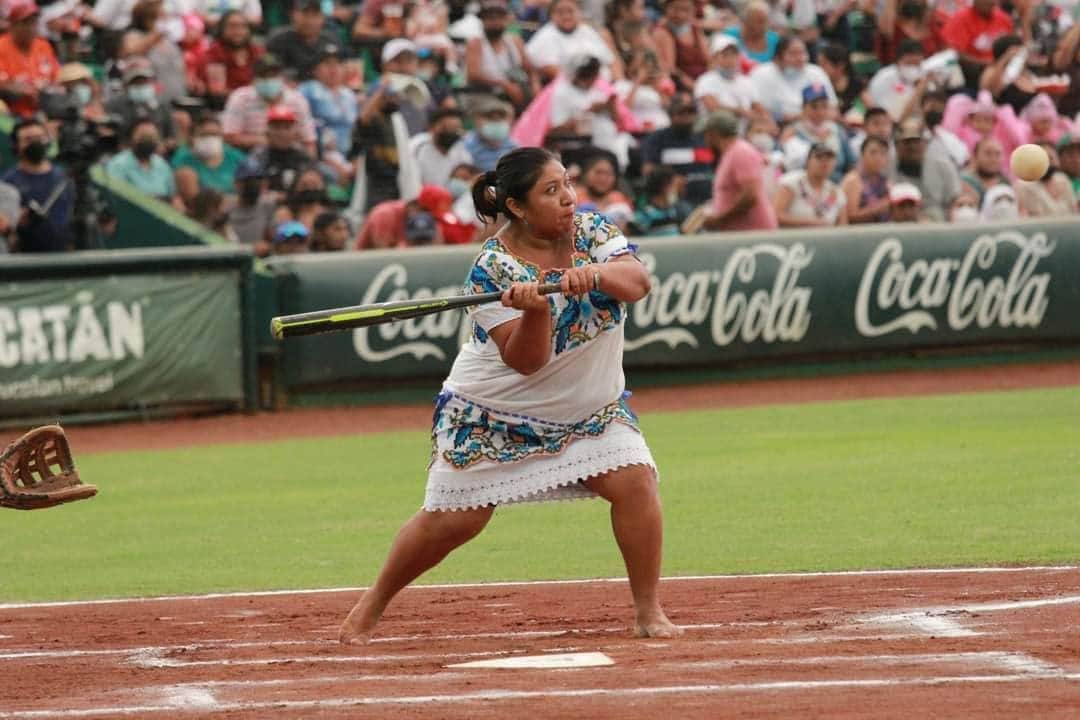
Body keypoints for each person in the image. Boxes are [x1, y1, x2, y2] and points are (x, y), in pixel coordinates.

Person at [338, 146, 678, 645]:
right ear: (517, 206)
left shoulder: (592, 230)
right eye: (551, 190)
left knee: (634, 480)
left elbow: (638, 282)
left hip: (589, 408)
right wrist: (538, 307)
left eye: (567, 184)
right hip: (496, 410)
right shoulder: (491, 267)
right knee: (455, 522)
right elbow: (526, 362)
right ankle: (369, 608)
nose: (567, 198)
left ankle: (649, 611)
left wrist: (595, 275)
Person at [2, 118, 74, 253]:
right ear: (16, 146)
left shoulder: (64, 177)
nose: (35, 143)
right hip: (25, 260)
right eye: (28, 139)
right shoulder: (7, 183)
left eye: (39, 137)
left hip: (63, 257)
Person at [698, 110, 777, 232]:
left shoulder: (741, 152)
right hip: (740, 233)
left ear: (713, 133)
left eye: (705, 134)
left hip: (752, 234)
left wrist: (720, 219)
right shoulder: (730, 152)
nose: (704, 138)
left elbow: (750, 195)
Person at [222, 54, 318, 155]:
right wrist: (269, 141)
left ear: (282, 77)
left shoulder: (297, 100)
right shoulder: (240, 98)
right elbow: (229, 136)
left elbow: (309, 141)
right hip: (249, 153)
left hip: (290, 153)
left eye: (273, 75)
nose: (268, 80)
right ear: (254, 79)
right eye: (263, 76)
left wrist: (309, 166)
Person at [639, 92, 715, 206]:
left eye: (691, 112)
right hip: (675, 203)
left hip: (707, 200)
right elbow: (648, 170)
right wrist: (671, 178)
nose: (687, 116)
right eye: (681, 112)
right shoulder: (657, 138)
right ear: (671, 114)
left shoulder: (704, 139)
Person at [464, 0, 538, 110]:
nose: (495, 22)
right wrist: (504, 84)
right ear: (483, 21)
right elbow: (473, 74)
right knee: (503, 110)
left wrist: (536, 87)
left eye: (499, 18)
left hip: (515, 92)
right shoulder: (476, 43)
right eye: (490, 18)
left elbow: (530, 69)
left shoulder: (515, 41)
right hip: (484, 94)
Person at [525, 0, 619, 84]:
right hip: (572, 87)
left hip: (604, 84)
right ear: (552, 15)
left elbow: (611, 61)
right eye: (560, 12)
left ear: (579, 13)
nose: (566, 16)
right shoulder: (546, 36)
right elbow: (551, 70)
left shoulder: (587, 30)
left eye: (570, 11)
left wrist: (617, 82)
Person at [749, 36, 836, 123]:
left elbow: (833, 108)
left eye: (803, 53)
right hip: (773, 126)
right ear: (778, 57)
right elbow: (754, 109)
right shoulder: (761, 74)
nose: (800, 59)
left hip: (815, 126)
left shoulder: (816, 72)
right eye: (793, 54)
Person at [780, 83, 855, 183]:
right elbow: (784, 164)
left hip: (838, 185)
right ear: (804, 107)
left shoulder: (837, 130)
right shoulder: (793, 132)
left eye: (824, 106)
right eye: (814, 107)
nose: (819, 112)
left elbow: (851, 162)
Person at [119, 0, 187, 108]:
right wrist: (156, 35)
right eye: (161, 15)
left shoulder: (169, 40)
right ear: (149, 18)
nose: (166, 18)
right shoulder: (135, 35)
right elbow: (129, 50)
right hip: (152, 102)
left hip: (177, 98)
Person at [892, 115, 959, 221]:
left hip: (937, 220)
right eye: (907, 142)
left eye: (916, 141)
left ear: (925, 143)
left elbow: (954, 201)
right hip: (898, 221)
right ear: (896, 145)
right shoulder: (887, 166)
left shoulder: (943, 166)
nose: (912, 147)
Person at [0, 0, 60, 119]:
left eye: (34, 22)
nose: (31, 27)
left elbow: (56, 77)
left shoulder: (43, 45)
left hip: (44, 111)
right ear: (13, 24)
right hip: (11, 113)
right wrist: (26, 90)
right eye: (25, 22)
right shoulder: (2, 47)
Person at [195, 11, 264, 111]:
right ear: (222, 29)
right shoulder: (211, 56)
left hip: (256, 109)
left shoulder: (258, 53)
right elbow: (217, 94)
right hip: (221, 110)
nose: (238, 31)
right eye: (232, 26)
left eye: (243, 26)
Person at [300, 44, 359, 158]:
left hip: (350, 152)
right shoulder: (308, 90)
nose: (333, 68)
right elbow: (303, 122)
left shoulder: (349, 94)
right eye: (327, 64)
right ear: (315, 69)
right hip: (322, 152)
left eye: (338, 64)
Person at [105, 118, 181, 206]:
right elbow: (115, 199)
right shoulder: (118, 164)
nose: (148, 140)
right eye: (143, 136)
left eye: (152, 137)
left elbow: (174, 196)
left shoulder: (162, 165)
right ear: (131, 138)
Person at [172, 113, 246, 205]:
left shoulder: (235, 156)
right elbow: (193, 200)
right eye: (205, 135)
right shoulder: (183, 160)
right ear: (192, 138)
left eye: (215, 135)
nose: (211, 139)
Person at [941, 0, 1014, 90]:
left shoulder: (1003, 18)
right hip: (973, 75)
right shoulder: (961, 18)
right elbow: (952, 52)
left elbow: (1013, 45)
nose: (990, 2)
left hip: (1005, 70)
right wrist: (984, 63)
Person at [773, 142, 848, 228]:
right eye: (819, 157)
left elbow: (843, 226)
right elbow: (776, 215)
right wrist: (812, 222)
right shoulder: (791, 183)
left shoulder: (837, 192)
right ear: (807, 161)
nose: (824, 161)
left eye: (829, 158)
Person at [105, 58, 176, 145]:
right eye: (136, 83)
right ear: (127, 86)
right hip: (126, 153)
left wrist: (164, 146)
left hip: (159, 153)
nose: (140, 86)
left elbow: (172, 137)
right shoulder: (115, 105)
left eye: (144, 82)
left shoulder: (162, 105)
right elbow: (110, 134)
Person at [246, 105, 316, 193]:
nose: (282, 133)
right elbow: (250, 192)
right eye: (277, 127)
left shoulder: (303, 157)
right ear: (267, 131)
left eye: (287, 127)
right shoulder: (258, 157)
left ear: (295, 132)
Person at [266, 0, 340, 82]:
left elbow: (345, 65)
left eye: (315, 15)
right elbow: (270, 72)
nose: (310, 21)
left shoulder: (331, 40)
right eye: (305, 14)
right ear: (293, 15)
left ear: (323, 18)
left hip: (325, 89)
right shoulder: (279, 40)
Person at [694, 34, 762, 120]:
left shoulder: (747, 82)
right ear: (715, 58)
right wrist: (741, 111)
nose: (730, 59)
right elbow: (714, 108)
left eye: (734, 54)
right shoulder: (704, 81)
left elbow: (760, 110)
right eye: (725, 55)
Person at [653, 0, 709, 92]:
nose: (680, 15)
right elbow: (670, 69)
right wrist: (697, 88)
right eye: (675, 9)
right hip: (683, 88)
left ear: (693, 10)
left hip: (703, 84)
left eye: (686, 10)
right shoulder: (662, 33)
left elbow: (709, 60)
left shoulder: (695, 29)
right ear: (667, 8)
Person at [868, 39, 927, 122]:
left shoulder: (924, 75)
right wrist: (920, 88)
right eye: (909, 63)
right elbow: (896, 117)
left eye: (917, 64)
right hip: (888, 121)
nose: (913, 68)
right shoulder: (884, 77)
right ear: (899, 60)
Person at [411, 107, 471, 186]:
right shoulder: (417, 146)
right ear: (432, 127)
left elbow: (469, 178)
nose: (451, 133)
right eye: (447, 128)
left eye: (455, 129)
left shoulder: (460, 148)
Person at [1014, 143, 1077, 218]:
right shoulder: (1023, 186)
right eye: (1042, 158)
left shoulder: (1063, 180)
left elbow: (1074, 211)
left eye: (1051, 158)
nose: (1047, 163)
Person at [228, 157, 277, 254]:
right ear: (237, 183)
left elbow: (274, 241)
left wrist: (267, 246)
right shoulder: (225, 208)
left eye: (258, 180)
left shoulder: (267, 206)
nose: (254, 184)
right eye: (249, 180)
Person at [841, 135, 892, 224]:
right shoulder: (853, 180)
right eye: (873, 153)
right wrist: (880, 207)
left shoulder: (886, 181)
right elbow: (850, 217)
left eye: (883, 153)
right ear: (862, 155)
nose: (878, 158)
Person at [461, 97, 519, 172]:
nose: (496, 122)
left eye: (501, 117)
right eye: (489, 117)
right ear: (475, 119)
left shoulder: (513, 146)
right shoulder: (465, 146)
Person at [631, 165, 692, 236]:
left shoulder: (674, 211)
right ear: (665, 187)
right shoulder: (644, 214)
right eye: (674, 185)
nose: (677, 190)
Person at [723, 1, 779, 65]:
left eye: (763, 22)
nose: (757, 26)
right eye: (754, 20)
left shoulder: (774, 40)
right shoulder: (730, 36)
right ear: (745, 21)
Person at [960, 136, 1008, 205]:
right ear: (974, 156)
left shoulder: (1005, 184)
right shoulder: (963, 182)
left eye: (998, 154)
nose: (993, 159)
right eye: (988, 153)